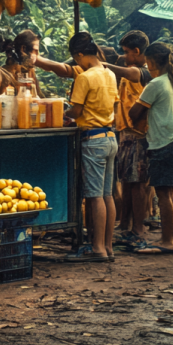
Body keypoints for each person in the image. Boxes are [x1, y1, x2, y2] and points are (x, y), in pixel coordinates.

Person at [62, 32, 118, 263]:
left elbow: (76, 111)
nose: (76, 63)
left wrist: (63, 112)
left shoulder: (85, 77)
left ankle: (97, 249)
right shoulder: (110, 74)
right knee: (107, 195)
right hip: (110, 137)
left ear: (80, 55)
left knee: (94, 197)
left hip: (93, 139)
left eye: (76, 59)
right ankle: (108, 246)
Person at [128, 43, 173, 253]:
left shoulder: (155, 84)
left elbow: (134, 113)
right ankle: (172, 238)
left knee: (163, 194)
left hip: (162, 142)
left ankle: (167, 241)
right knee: (170, 193)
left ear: (151, 60)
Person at [107, 31, 153, 250]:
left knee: (137, 184)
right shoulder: (129, 73)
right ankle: (125, 223)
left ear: (137, 52)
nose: (124, 56)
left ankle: (139, 228)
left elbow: (134, 74)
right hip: (126, 133)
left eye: (126, 53)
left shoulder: (143, 73)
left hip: (139, 134)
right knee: (127, 182)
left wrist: (104, 66)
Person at [0, 30, 43, 98]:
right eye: (35, 51)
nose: (37, 55)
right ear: (23, 50)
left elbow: (39, 99)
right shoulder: (0, 74)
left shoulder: (30, 73)